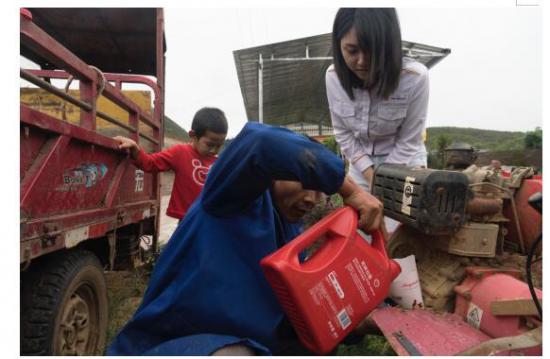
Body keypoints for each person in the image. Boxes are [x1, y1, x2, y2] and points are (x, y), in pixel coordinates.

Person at [107, 122, 384, 356]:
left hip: (246, 346)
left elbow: (296, 323)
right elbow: (260, 141)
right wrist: (348, 189)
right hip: (170, 345)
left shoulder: (292, 244)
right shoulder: (231, 197)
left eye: (320, 191)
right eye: (303, 182)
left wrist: (359, 323)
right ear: (272, 174)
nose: (311, 199)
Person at [326, 8, 430, 192]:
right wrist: (369, 175)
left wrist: (383, 182)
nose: (361, 61)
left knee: (399, 219)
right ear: (338, 44)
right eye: (352, 50)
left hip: (405, 162)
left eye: (371, 50)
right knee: (360, 218)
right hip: (361, 165)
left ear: (389, 46)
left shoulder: (414, 77)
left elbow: (409, 141)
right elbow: (343, 132)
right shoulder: (333, 77)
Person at [114, 107, 228, 220]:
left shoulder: (219, 162)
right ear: (193, 135)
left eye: (219, 146)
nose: (214, 150)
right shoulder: (180, 152)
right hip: (186, 221)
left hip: (210, 219)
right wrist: (135, 149)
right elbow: (150, 163)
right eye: (209, 144)